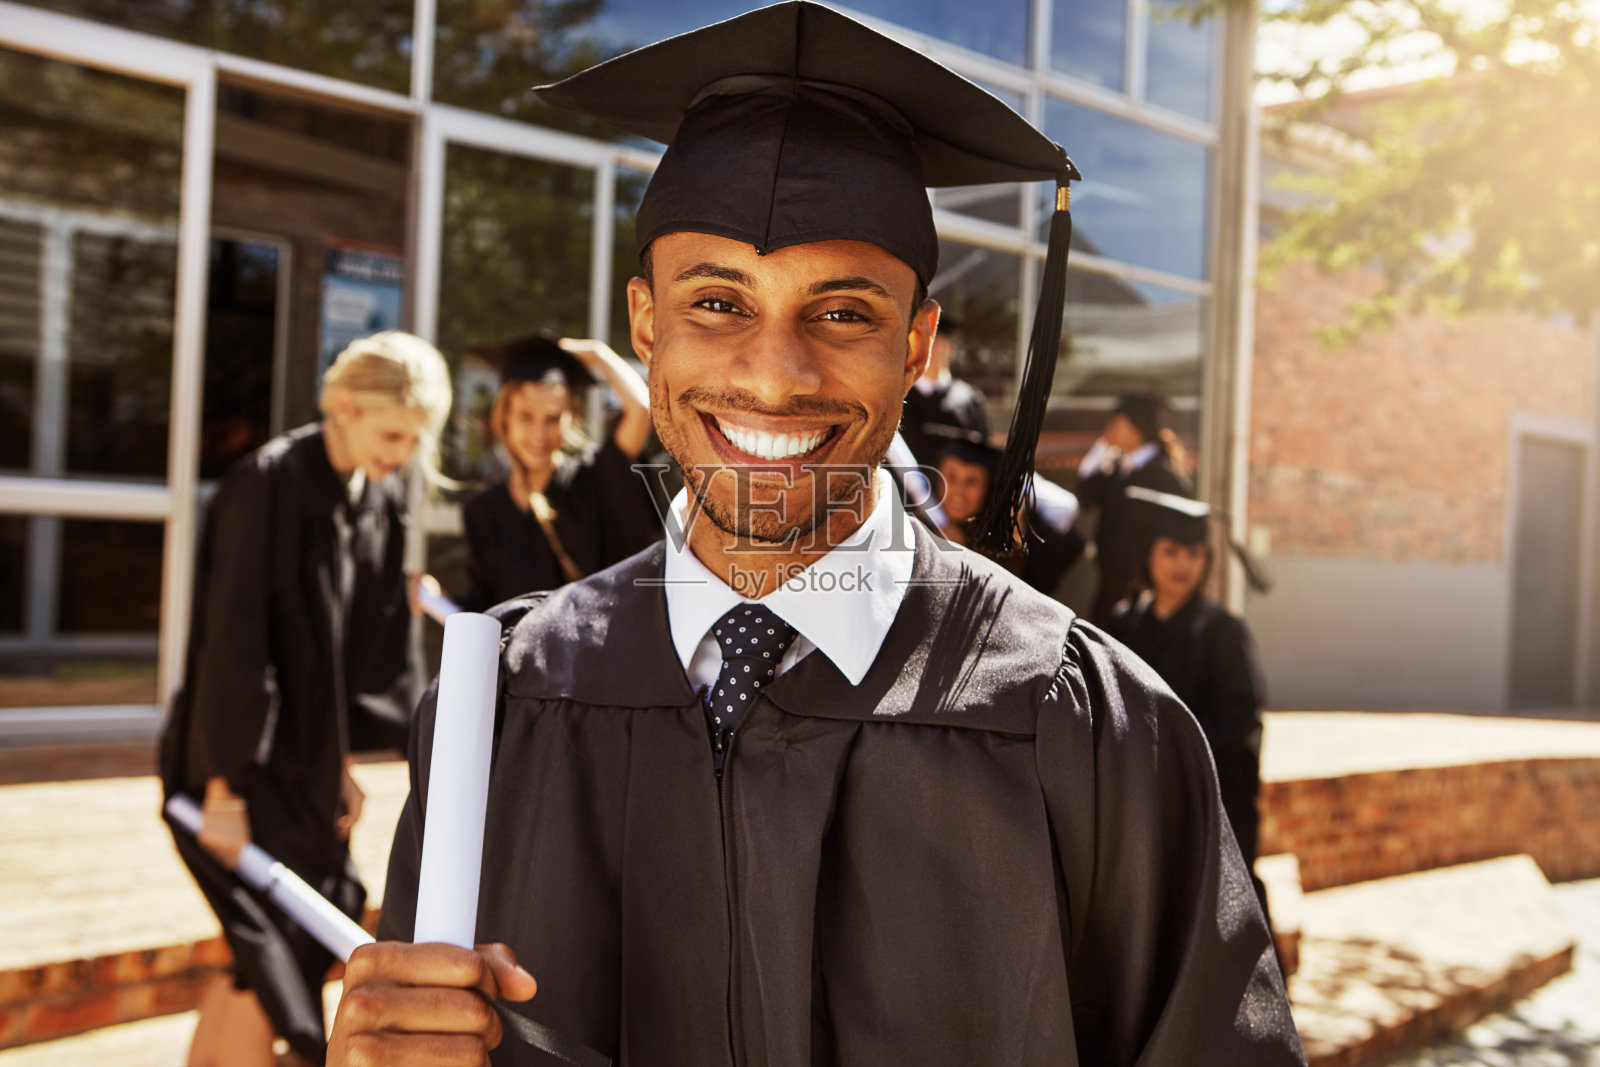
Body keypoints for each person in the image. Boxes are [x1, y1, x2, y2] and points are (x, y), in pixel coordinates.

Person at [329, 6, 1304, 1065]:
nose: (774, 374)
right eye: (717, 302)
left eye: (842, 314)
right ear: (645, 325)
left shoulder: (1085, 726)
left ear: (917, 345)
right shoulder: (505, 699)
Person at [158, 331, 452, 1067]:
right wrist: (224, 789)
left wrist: (343, 765)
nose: (403, 454)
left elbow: (360, 658)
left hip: (309, 766)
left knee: (272, 949)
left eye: (415, 440)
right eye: (392, 433)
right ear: (343, 406)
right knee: (266, 946)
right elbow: (234, 640)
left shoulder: (378, 502)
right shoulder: (268, 483)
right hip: (235, 759)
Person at [1104, 486, 1271, 917]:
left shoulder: (1221, 632)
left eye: (1194, 553)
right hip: (1139, 794)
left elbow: (1240, 718)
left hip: (1203, 795)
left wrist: (1181, 758)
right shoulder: (1124, 626)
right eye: (1172, 551)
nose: (1184, 564)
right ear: (1149, 554)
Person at [455, 333, 658, 609]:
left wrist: (598, 354)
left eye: (552, 418)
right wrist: (432, 597)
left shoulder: (591, 481)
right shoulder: (482, 511)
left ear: (570, 417)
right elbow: (482, 607)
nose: (539, 435)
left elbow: (641, 410)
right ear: (505, 417)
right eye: (525, 417)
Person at [1077, 392, 1194, 624]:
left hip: (1142, 589)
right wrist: (1103, 447)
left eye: (1116, 424)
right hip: (1111, 582)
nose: (1109, 431)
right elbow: (1086, 493)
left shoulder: (1163, 476)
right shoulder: (1119, 470)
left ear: (1135, 428)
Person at [930, 425, 1085, 594]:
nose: (959, 491)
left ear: (988, 488)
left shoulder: (1009, 534)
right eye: (951, 477)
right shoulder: (919, 525)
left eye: (972, 481)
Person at [898, 312, 989, 468]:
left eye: (936, 341)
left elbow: (983, 455)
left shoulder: (970, 400)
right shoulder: (899, 397)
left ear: (951, 348)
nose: (930, 349)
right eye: (922, 341)